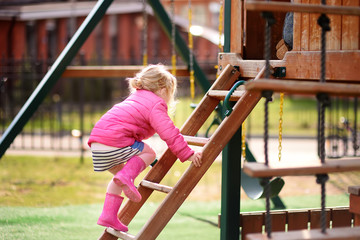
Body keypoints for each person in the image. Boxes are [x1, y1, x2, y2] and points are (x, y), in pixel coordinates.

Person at [88, 64, 203, 232]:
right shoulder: (155, 104)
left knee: (118, 179)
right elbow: (169, 133)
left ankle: (108, 215)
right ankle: (127, 177)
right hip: (114, 142)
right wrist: (188, 153)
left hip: (98, 146)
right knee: (149, 152)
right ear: (163, 90)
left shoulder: (135, 98)